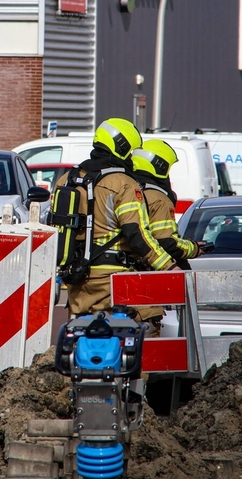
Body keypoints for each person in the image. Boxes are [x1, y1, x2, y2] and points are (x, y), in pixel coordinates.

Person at [54, 118, 176, 334]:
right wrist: (169, 267)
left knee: (85, 334)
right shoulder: (123, 183)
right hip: (114, 281)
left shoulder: (66, 180)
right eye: (130, 152)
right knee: (148, 322)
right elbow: (137, 234)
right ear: (122, 147)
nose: (131, 158)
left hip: (76, 279)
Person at [132, 139, 210, 272]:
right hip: (157, 273)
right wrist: (194, 248)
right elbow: (166, 242)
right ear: (160, 166)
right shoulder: (158, 199)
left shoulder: (131, 191)